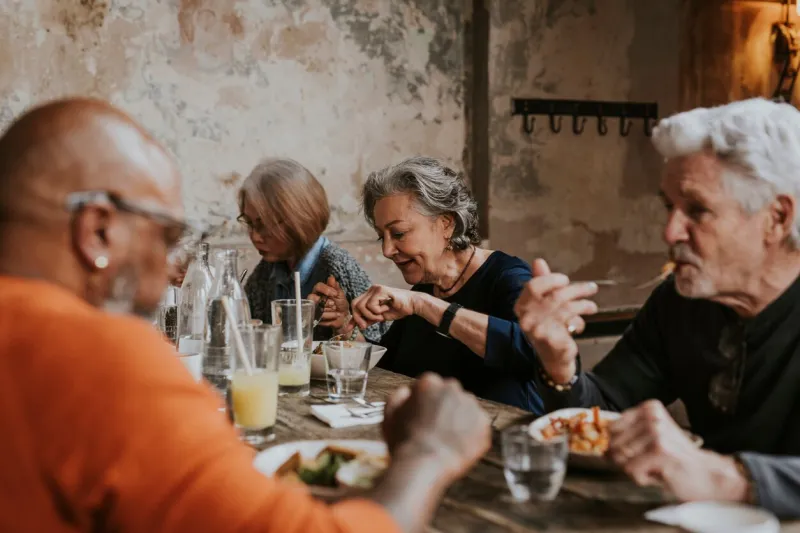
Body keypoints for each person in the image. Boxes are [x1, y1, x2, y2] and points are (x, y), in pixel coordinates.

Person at [0, 97, 492, 533]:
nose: (170, 266)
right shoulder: (99, 359)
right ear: (99, 233)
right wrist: (432, 452)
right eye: (168, 238)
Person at [514, 98, 800, 517]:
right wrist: (559, 363)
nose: (669, 231)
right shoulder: (680, 302)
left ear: (776, 217)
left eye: (697, 210)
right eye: (669, 207)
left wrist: (725, 476)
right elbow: (607, 410)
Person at [348, 156, 543, 414]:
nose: (386, 249)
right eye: (381, 236)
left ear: (446, 224)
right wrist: (346, 327)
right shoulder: (424, 290)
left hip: (508, 445)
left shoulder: (508, 277)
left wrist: (426, 306)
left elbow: (535, 353)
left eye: (398, 234)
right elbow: (387, 372)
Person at [239, 157, 388, 342]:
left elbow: (380, 349)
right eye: (249, 223)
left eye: (263, 224)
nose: (254, 236)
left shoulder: (337, 268)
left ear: (297, 219)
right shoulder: (265, 272)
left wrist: (343, 323)